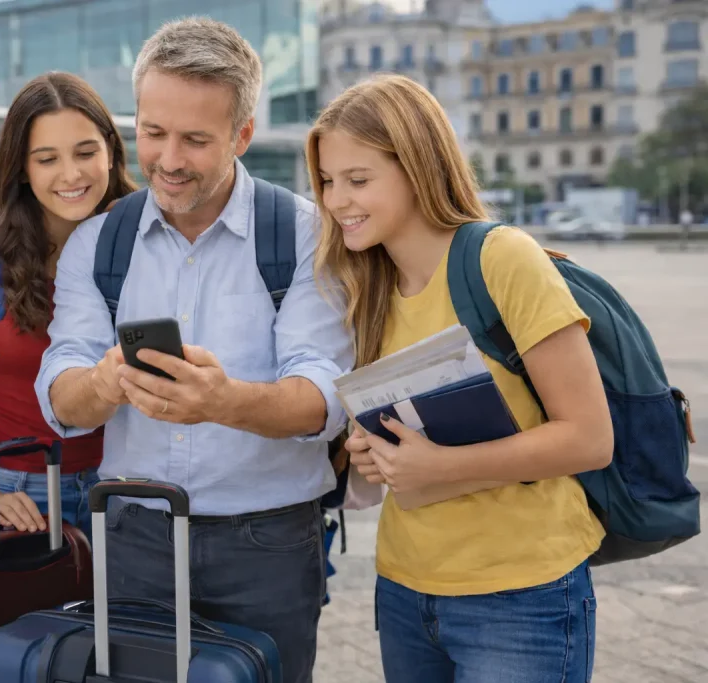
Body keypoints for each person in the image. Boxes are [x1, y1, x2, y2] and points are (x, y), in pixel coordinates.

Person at [36, 17, 354, 682]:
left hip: (268, 543)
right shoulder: (98, 244)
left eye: (195, 139)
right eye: (153, 133)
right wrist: (105, 381)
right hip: (134, 539)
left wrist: (224, 401)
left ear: (242, 135)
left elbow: (324, 397)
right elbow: (63, 398)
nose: (169, 158)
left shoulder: (300, 236)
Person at [307, 73, 612, 683]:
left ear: (419, 167)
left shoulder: (502, 259)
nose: (337, 200)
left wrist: (437, 466)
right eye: (327, 182)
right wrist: (371, 452)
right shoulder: (364, 290)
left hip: (522, 596)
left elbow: (589, 438)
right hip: (405, 590)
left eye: (358, 180)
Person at [0, 72, 138, 541]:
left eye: (86, 153)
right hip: (22, 493)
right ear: (22, 168)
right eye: (47, 159)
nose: (72, 175)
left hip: (130, 488)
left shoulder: (146, 236)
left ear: (110, 149)